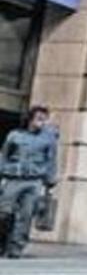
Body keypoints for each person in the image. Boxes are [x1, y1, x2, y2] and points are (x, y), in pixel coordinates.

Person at [0, 106, 58, 259]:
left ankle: (16, 248)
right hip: (13, 178)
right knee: (4, 212)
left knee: (25, 215)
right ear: (30, 118)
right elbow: (4, 155)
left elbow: (51, 160)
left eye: (44, 118)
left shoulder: (49, 138)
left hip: (34, 180)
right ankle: (2, 244)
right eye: (39, 117)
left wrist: (50, 181)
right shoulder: (14, 135)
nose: (42, 121)